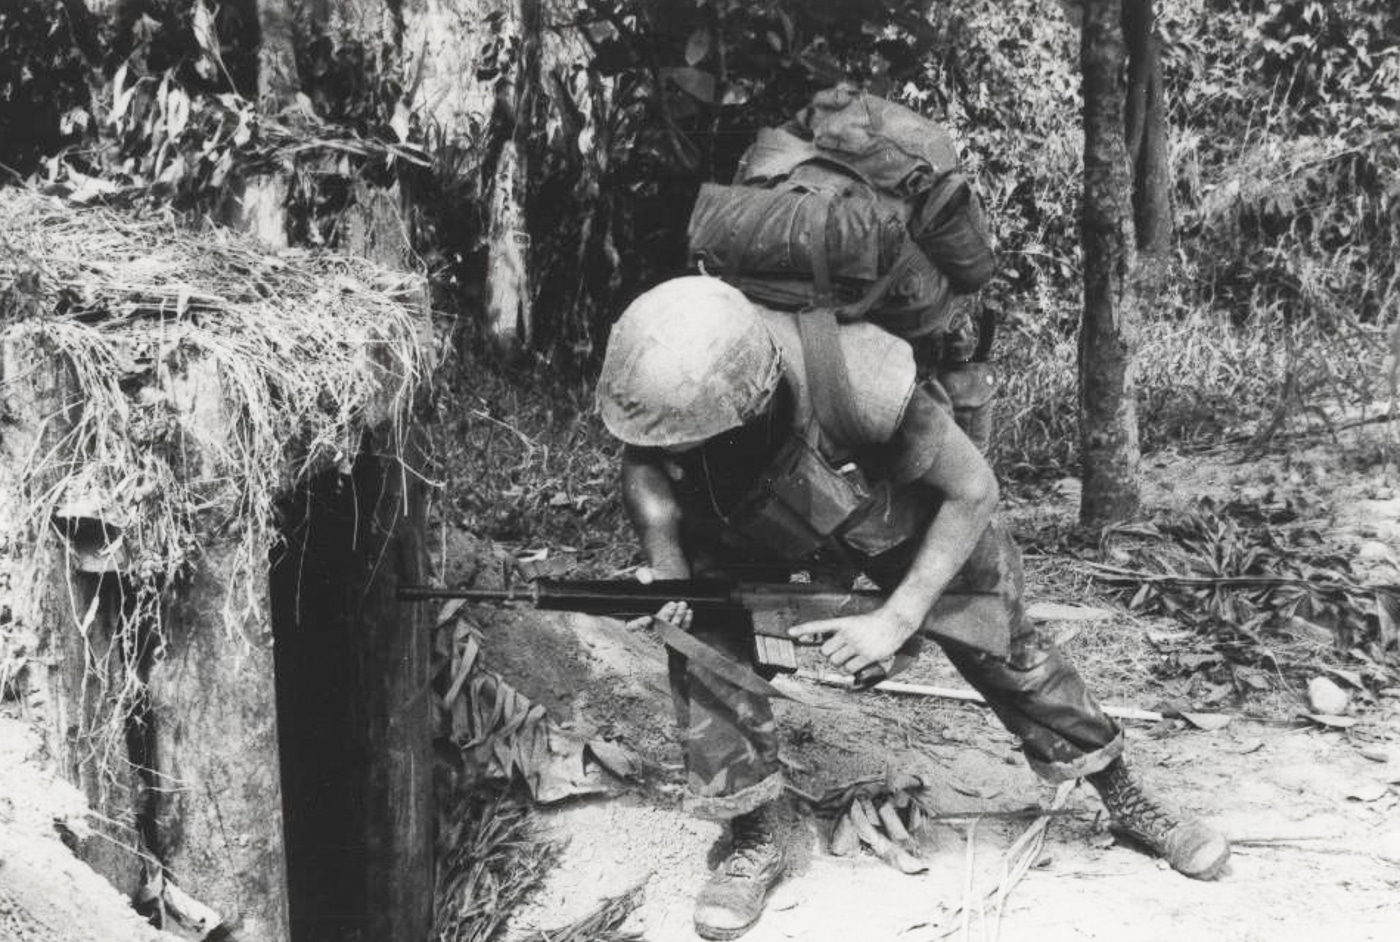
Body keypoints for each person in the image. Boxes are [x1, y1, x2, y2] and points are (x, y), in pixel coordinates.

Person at [596, 275, 1229, 941]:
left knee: (1001, 640)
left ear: (751, 398)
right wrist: (668, 571)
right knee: (706, 646)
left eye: (678, 444)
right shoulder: (676, 394)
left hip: (909, 515)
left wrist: (895, 620)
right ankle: (752, 834)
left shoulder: (861, 385)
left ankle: (1122, 791)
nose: (667, 454)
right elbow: (643, 464)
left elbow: (973, 491)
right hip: (767, 520)